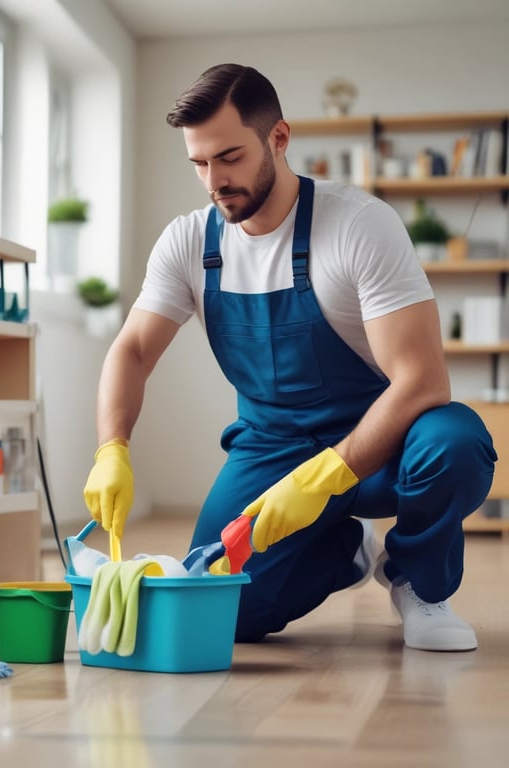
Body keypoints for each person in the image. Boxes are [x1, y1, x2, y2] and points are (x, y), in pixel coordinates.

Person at [82, 63, 496, 652]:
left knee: (455, 442)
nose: (213, 181)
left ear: (278, 138)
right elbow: (132, 349)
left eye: (229, 157)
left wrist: (328, 476)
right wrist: (111, 448)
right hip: (273, 446)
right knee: (227, 609)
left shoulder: (358, 225)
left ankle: (418, 583)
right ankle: (344, 551)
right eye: (198, 163)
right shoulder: (188, 243)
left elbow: (423, 381)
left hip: (384, 441)